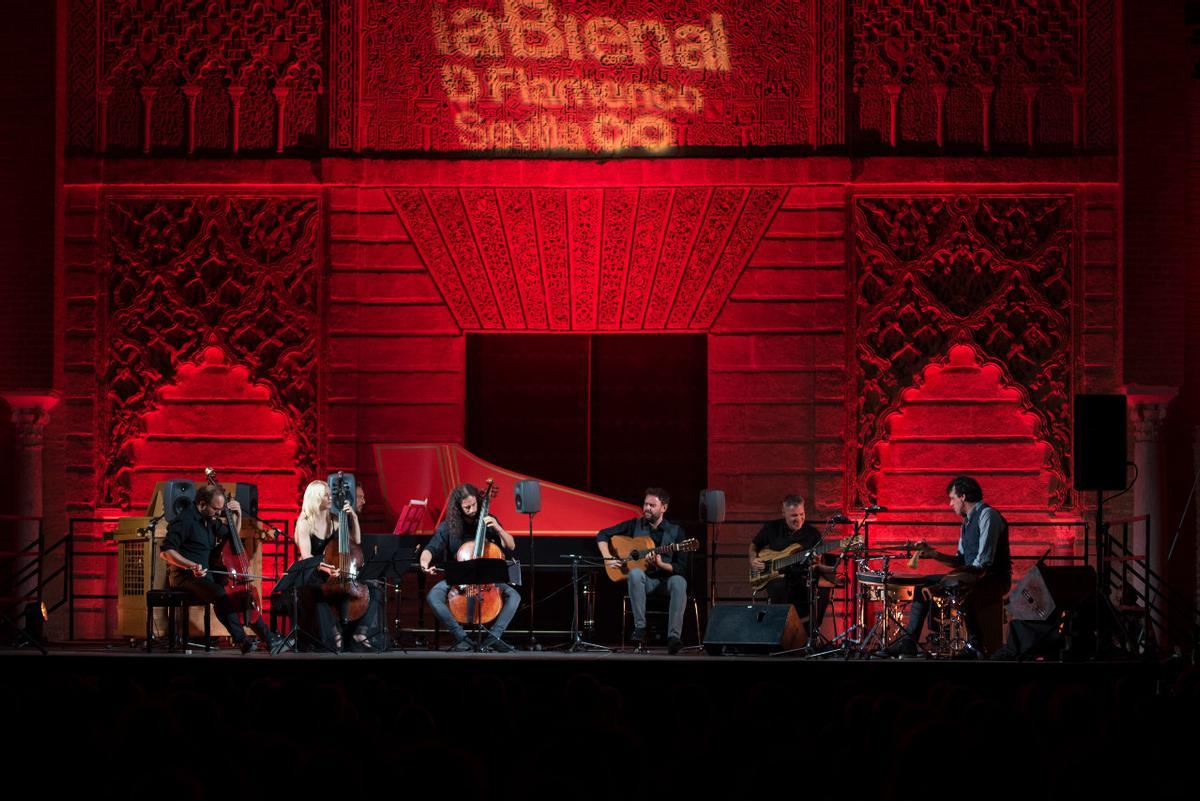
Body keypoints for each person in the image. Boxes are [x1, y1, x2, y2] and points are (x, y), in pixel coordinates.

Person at [890, 476, 1012, 658]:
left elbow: (983, 563)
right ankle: (909, 641)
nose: (950, 503)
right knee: (922, 585)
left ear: (962, 496)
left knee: (962, 590)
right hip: (973, 576)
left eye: (952, 498)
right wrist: (933, 553)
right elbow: (960, 561)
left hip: (992, 578)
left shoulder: (988, 515)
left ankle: (975, 646)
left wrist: (946, 583)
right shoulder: (966, 523)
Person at [160, 484, 277, 653]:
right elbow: (166, 552)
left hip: (207, 575)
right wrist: (190, 565)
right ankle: (242, 640)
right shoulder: (184, 520)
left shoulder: (210, 520)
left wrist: (236, 516)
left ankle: (268, 638)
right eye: (216, 509)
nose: (219, 513)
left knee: (241, 593)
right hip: (185, 576)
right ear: (201, 505)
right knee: (221, 594)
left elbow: (232, 538)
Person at [418, 483, 520, 652]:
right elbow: (430, 549)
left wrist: (498, 527)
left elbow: (511, 545)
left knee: (514, 596)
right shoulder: (449, 526)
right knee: (433, 596)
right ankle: (462, 638)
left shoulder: (488, 520)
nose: (472, 509)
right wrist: (424, 563)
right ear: (458, 507)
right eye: (467, 507)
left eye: (474, 505)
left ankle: (493, 637)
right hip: (460, 580)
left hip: (487, 580)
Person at [292, 479, 384, 652]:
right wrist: (326, 568)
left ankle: (360, 632)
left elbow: (355, 541)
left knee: (374, 586)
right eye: (326, 495)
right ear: (315, 499)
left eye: (330, 494)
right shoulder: (304, 522)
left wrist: (353, 517)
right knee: (319, 592)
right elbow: (306, 556)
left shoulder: (334, 520)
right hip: (316, 571)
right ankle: (333, 635)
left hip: (335, 570)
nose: (330, 498)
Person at [597, 488, 689, 655]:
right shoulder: (634, 525)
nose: (646, 508)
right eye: (645, 504)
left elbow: (681, 568)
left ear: (664, 508)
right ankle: (640, 628)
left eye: (652, 505)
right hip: (644, 582)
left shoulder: (676, 532)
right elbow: (602, 534)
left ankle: (673, 638)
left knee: (679, 581)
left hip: (665, 582)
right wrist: (608, 557)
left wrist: (661, 565)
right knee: (635, 573)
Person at [749, 494, 832, 626]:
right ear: (784, 513)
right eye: (794, 515)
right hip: (776, 581)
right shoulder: (772, 528)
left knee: (820, 591)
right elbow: (754, 544)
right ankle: (780, 629)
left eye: (801, 514)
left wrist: (816, 563)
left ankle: (808, 634)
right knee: (779, 587)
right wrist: (753, 559)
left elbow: (819, 563)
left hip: (802, 580)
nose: (799, 519)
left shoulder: (812, 534)